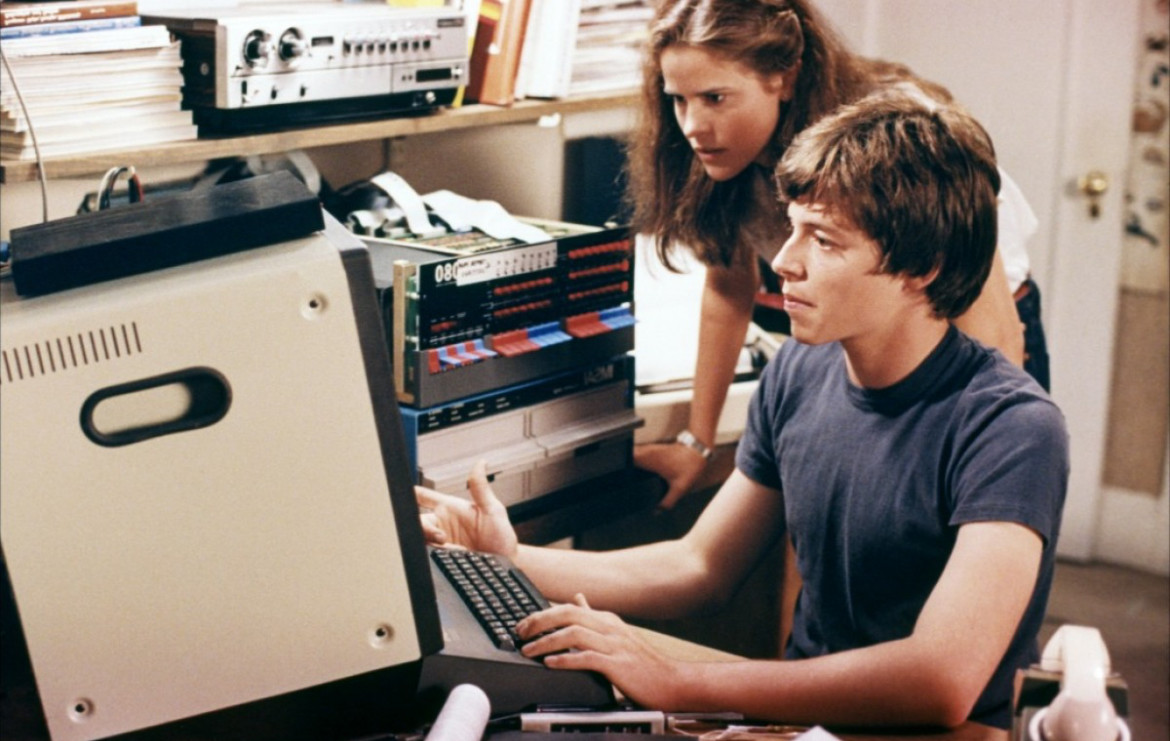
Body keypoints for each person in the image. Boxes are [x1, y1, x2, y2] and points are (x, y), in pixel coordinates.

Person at [418, 91, 1068, 731]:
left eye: (825, 240)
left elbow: (939, 679)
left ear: (921, 267)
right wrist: (507, 555)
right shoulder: (799, 371)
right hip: (806, 723)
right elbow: (700, 567)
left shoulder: (1012, 426)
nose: (784, 259)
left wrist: (677, 680)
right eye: (792, 228)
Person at [627, 0, 1049, 509]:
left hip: (963, 327)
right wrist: (698, 441)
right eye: (679, 100)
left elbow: (993, 330)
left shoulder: (901, 135)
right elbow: (727, 286)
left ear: (783, 78)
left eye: (715, 97)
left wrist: (982, 462)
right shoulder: (720, 154)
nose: (692, 125)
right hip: (859, 329)